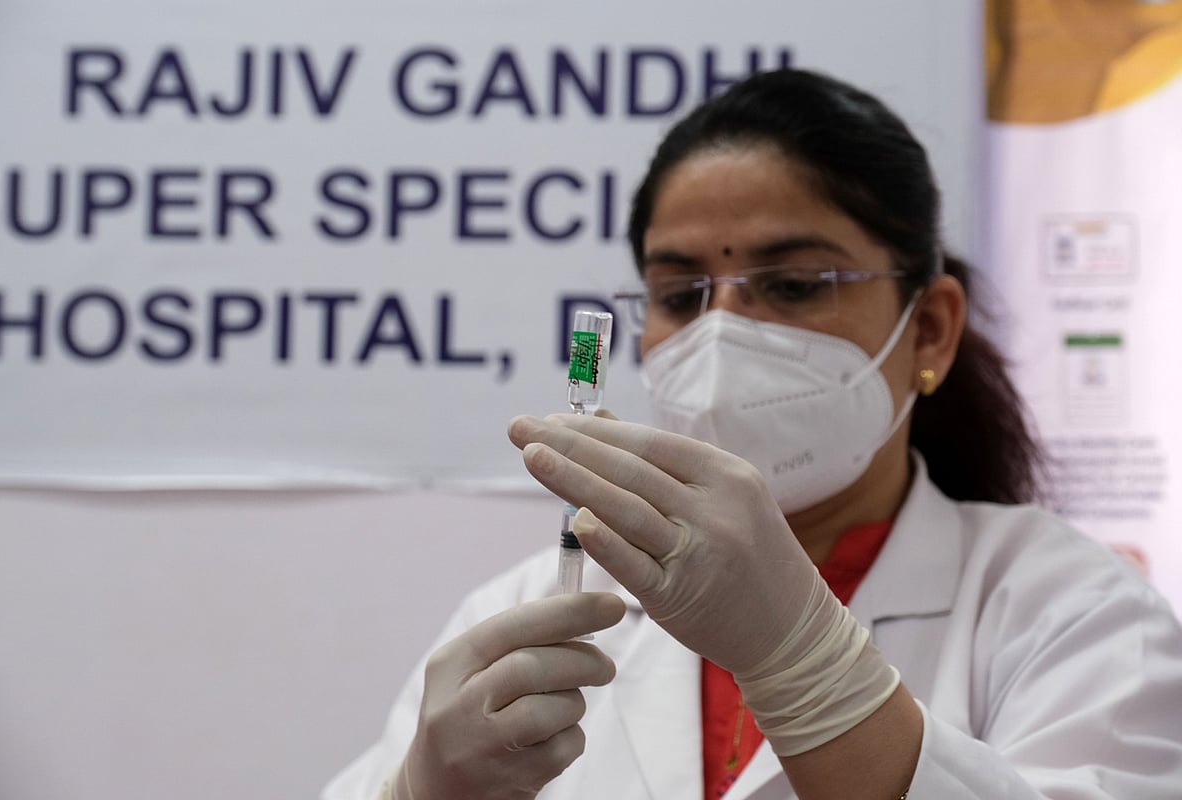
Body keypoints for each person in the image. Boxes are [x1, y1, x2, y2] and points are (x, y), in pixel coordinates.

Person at [322, 68, 1182, 799]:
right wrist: (416, 789)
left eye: (796, 285)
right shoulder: (526, 612)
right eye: (681, 293)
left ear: (931, 331)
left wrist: (804, 662)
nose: (723, 334)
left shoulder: (1065, 611)